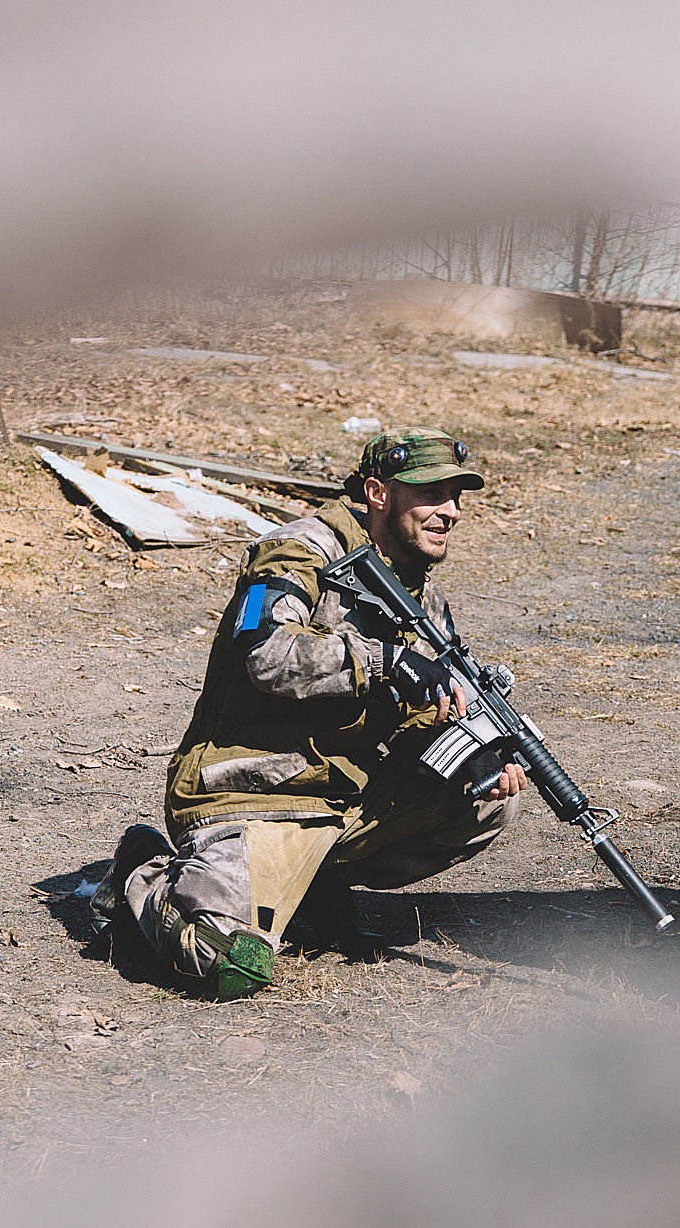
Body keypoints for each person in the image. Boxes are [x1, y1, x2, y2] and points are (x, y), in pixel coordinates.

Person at [89, 427, 529, 997]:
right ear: (377, 492)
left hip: (340, 790)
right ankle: (141, 872)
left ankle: (315, 888)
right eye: (431, 494)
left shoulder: (419, 594)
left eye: (456, 497)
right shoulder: (298, 551)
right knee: (225, 961)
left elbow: (418, 709)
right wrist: (386, 661)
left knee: (484, 804)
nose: (450, 512)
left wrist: (472, 751)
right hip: (255, 788)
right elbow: (264, 652)